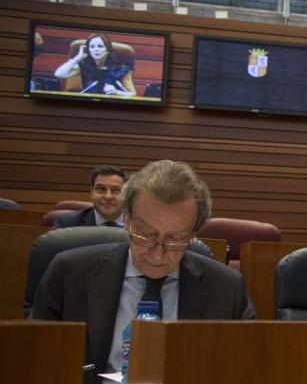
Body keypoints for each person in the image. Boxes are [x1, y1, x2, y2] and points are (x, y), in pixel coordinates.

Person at [32, 160, 255, 377]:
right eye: (145, 235)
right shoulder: (69, 273)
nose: (157, 254)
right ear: (126, 221)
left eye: (176, 238)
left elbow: (246, 370)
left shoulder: (227, 288)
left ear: (193, 235)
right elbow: (35, 361)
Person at [54, 33, 136, 97]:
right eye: (92, 47)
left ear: (107, 49)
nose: (95, 49)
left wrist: (117, 92)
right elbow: (59, 74)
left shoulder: (121, 69)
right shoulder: (84, 66)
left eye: (100, 46)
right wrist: (77, 59)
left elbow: (133, 94)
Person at [54, 165, 128, 228]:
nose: (108, 196)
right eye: (101, 189)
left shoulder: (138, 225)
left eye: (116, 190)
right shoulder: (67, 224)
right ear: (92, 193)